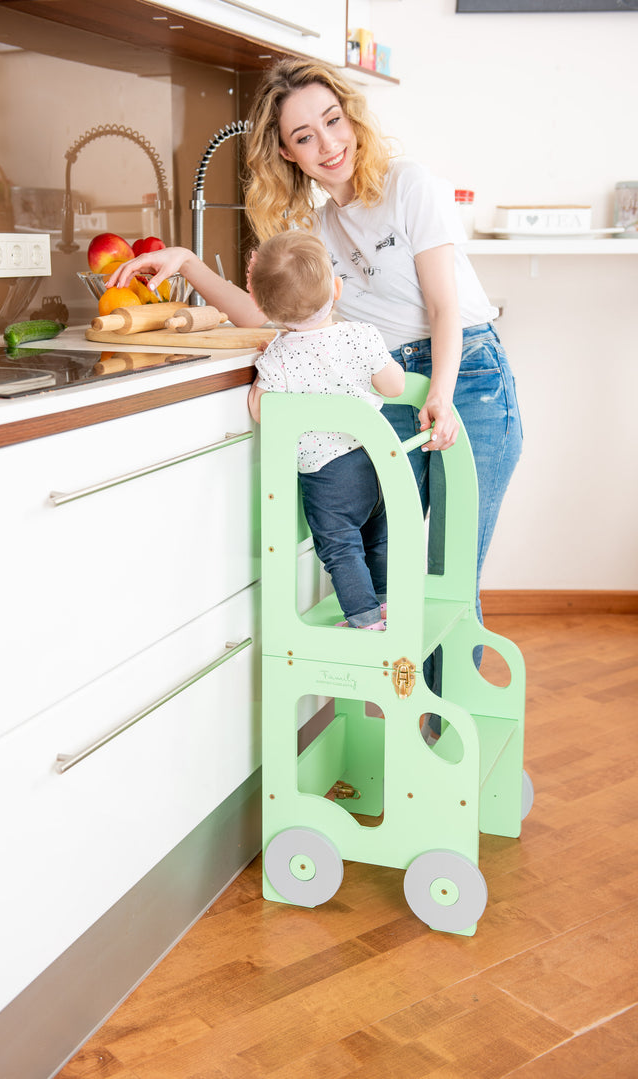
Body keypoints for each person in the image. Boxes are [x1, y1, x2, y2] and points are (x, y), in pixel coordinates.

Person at [108, 57, 523, 689]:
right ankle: (416, 735)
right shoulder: (319, 228)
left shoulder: (410, 184)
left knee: (449, 573)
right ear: (286, 152)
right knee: (401, 574)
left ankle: (449, 738)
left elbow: (443, 306)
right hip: (391, 388)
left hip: (465, 374)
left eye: (333, 121)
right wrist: (190, 264)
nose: (328, 144)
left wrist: (438, 394)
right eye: (305, 136)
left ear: (351, 116)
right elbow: (271, 313)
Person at [246, 230, 405, 631]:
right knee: (377, 534)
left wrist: (259, 375)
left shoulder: (281, 354)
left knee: (340, 546)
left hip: (327, 474)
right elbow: (394, 387)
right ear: (336, 289)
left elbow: (261, 410)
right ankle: (385, 602)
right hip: (374, 460)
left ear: (264, 308)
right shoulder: (361, 335)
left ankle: (364, 619)